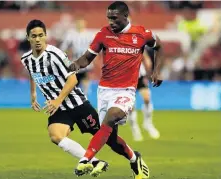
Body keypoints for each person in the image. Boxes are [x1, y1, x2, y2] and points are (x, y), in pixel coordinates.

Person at [20, 19, 151, 177]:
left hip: (77, 104)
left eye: (41, 35)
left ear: (46, 36)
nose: (38, 39)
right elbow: (33, 74)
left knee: (110, 139)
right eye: (34, 36)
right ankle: (95, 162)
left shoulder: (55, 55)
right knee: (55, 135)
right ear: (28, 37)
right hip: (60, 109)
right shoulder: (26, 59)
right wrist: (33, 95)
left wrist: (58, 100)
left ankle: (133, 157)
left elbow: (73, 79)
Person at [69, 1, 163, 178]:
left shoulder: (141, 33)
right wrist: (72, 66)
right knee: (111, 139)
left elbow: (159, 46)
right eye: (108, 18)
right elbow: (87, 58)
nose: (111, 21)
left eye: (114, 18)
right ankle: (134, 158)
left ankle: (85, 159)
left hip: (126, 90)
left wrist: (156, 71)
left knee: (111, 117)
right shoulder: (103, 34)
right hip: (105, 90)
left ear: (125, 16)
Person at [128, 50, 160, 141]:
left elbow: (146, 59)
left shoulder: (138, 43)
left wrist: (148, 72)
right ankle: (134, 128)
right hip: (127, 79)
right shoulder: (121, 46)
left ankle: (148, 123)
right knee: (131, 105)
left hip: (140, 76)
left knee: (147, 98)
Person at [60, 17, 94, 96]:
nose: (80, 25)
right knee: (73, 82)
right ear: (75, 24)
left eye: (82, 23)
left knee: (86, 78)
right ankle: (73, 97)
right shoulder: (70, 35)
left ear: (85, 24)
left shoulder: (90, 35)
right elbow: (63, 48)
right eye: (78, 23)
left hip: (86, 63)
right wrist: (66, 60)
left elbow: (96, 48)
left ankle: (85, 96)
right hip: (75, 62)